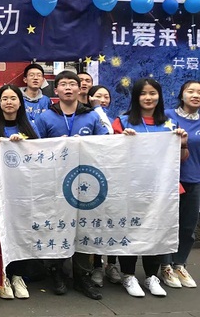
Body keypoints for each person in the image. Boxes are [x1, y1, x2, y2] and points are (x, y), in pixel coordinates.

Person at [34, 70, 108, 300]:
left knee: (83, 227)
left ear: (80, 88)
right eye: (63, 84)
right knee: (56, 226)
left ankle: (82, 276)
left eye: (72, 84)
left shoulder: (92, 116)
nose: (68, 88)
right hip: (55, 182)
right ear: (56, 90)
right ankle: (56, 271)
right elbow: (35, 148)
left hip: (86, 181)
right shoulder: (45, 117)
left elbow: (106, 144)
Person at [112, 78, 187, 297]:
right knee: (130, 229)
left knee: (156, 231)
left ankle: (151, 276)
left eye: (153, 93)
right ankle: (128, 275)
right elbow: (111, 156)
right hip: (131, 187)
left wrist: (182, 143)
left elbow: (182, 158)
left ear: (159, 96)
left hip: (161, 189)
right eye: (143, 93)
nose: (148, 97)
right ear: (136, 97)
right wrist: (121, 141)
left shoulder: (169, 123)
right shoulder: (123, 122)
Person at [0, 84, 38, 300]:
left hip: (24, 190)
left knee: (21, 231)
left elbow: (40, 154)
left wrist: (24, 145)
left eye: (13, 98)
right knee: (0, 231)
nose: (9, 102)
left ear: (20, 102)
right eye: (4, 99)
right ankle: (3, 275)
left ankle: (18, 276)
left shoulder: (31, 126)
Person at [162, 80, 200, 289]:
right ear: (182, 94)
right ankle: (165, 265)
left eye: (199, 92)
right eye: (190, 91)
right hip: (170, 179)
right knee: (168, 224)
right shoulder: (168, 116)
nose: (195, 95)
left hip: (195, 180)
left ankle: (179, 264)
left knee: (187, 227)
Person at [86, 84, 118, 285]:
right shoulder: (87, 117)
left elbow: (110, 135)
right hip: (91, 177)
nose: (102, 100)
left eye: (106, 97)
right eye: (98, 96)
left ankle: (112, 264)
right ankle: (97, 265)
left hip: (113, 176)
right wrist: (96, 108)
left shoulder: (115, 119)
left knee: (112, 220)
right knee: (95, 222)